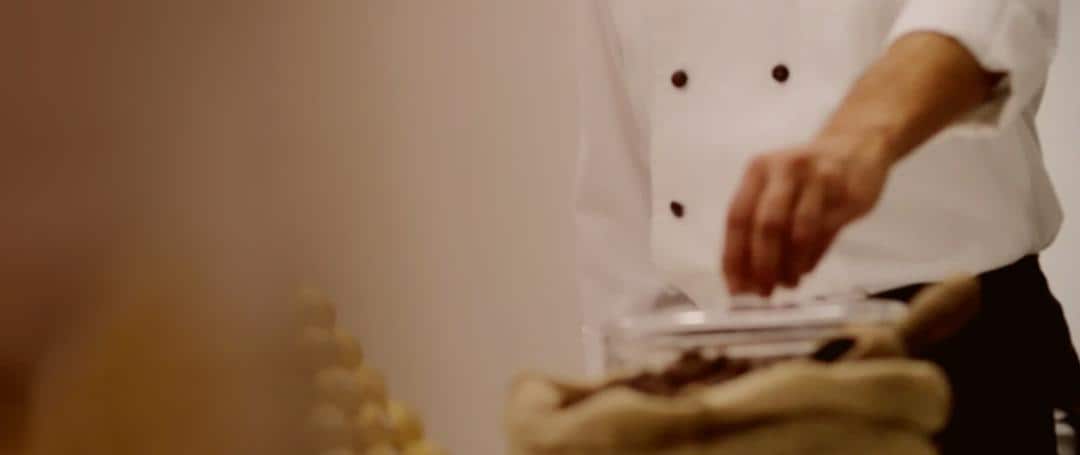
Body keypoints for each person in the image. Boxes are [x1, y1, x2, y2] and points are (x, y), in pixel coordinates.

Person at [574, 1, 1080, 453]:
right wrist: (618, 400)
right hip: (717, 379)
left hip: (951, 350)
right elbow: (619, 180)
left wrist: (861, 133)